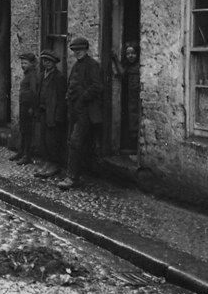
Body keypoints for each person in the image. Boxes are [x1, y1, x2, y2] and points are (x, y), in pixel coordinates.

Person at [58, 36, 104, 191]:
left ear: (86, 50)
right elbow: (72, 83)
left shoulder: (92, 65)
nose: (77, 53)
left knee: (76, 142)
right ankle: (76, 173)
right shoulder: (76, 66)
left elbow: (97, 87)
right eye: (74, 50)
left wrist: (83, 98)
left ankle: (72, 177)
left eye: (80, 50)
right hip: (74, 110)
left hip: (86, 111)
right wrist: (67, 96)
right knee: (72, 141)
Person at [32, 51, 67, 180]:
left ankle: (54, 164)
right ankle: (46, 163)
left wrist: (58, 116)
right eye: (44, 61)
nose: (46, 63)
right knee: (44, 139)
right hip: (43, 112)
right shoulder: (42, 75)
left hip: (53, 113)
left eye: (49, 61)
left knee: (52, 140)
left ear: (54, 63)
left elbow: (61, 99)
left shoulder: (59, 77)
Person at [110, 41, 142, 152]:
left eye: (133, 53)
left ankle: (136, 147)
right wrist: (115, 59)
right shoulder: (128, 66)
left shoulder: (140, 66)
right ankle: (132, 145)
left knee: (137, 118)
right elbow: (122, 73)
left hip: (137, 97)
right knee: (131, 118)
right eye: (128, 54)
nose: (130, 56)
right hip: (130, 97)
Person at [9, 53, 40, 165]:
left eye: (25, 63)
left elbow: (34, 92)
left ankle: (27, 155)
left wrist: (32, 107)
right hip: (24, 106)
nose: (23, 65)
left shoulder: (32, 75)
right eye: (22, 63)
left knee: (27, 131)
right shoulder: (27, 74)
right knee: (23, 129)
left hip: (28, 107)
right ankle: (21, 152)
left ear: (32, 64)